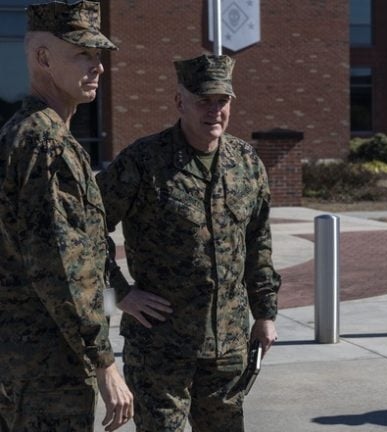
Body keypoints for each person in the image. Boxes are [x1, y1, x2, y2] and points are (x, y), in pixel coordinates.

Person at [96, 54, 281, 432]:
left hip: (227, 346)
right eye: (203, 100)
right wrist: (121, 293)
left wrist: (265, 313)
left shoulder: (246, 162)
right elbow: (85, 230)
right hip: (162, 347)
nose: (214, 110)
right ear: (180, 102)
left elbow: (258, 241)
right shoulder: (144, 161)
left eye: (222, 100)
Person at [0, 1, 133, 431]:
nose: (97, 67)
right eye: (82, 54)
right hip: (47, 363)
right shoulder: (45, 144)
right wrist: (103, 360)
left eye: (98, 56)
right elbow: (61, 264)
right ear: (42, 58)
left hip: (27, 355)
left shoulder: (28, 133)